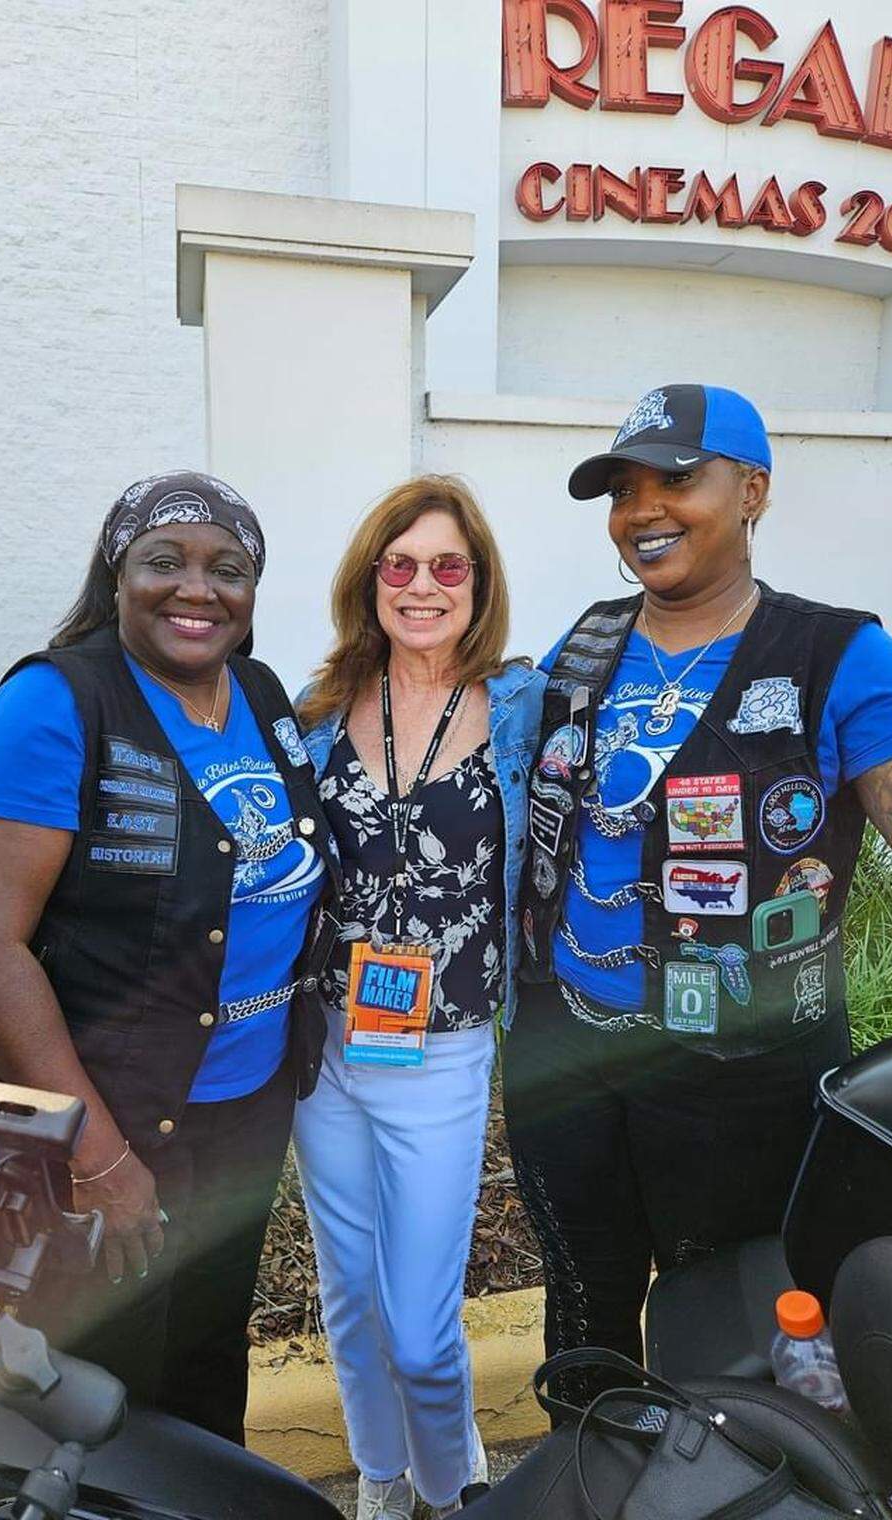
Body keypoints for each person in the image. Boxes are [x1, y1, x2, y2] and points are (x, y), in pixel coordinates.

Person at [504, 384, 892, 1401]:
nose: (643, 510)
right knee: (583, 1306)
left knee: (729, 1327)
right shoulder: (584, 645)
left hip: (740, 1077)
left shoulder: (836, 655)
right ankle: (592, 1475)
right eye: (623, 490)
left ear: (754, 489)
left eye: (677, 479)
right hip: (562, 1052)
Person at [0, 470, 340, 1442]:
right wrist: (99, 1153)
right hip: (116, 1114)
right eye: (165, 561)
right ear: (118, 572)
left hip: (243, 1105)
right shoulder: (57, 703)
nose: (197, 589)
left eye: (229, 569)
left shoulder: (258, 690)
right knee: (95, 1390)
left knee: (204, 1358)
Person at [293, 477, 544, 1519]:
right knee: (350, 1299)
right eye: (401, 564)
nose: (424, 584)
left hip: (442, 1047)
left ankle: (454, 1481)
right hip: (329, 1047)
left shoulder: (524, 707)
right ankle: (382, 1475)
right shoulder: (311, 713)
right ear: (371, 579)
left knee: (424, 1323)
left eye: (449, 565)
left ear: (479, 583)